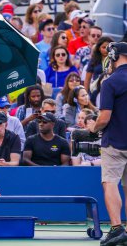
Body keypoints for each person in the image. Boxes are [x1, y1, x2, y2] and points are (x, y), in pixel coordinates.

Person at [88, 42, 127, 246]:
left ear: (115, 56)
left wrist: (92, 128)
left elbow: (104, 118)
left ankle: (117, 228)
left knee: (110, 182)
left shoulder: (110, 82)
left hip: (115, 142)